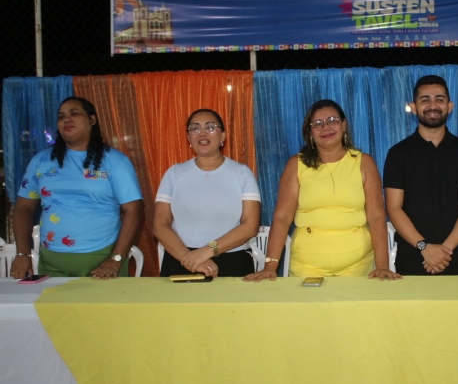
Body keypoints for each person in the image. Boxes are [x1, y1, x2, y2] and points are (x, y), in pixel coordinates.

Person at [243, 99, 401, 281]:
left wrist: (382, 266)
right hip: (307, 267)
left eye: (332, 120)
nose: (326, 127)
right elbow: (282, 218)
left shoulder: (364, 162)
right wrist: (270, 266)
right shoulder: (296, 165)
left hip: (358, 266)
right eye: (317, 124)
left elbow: (376, 216)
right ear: (310, 132)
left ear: (344, 125)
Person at [10, 96, 143, 279]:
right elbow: (23, 207)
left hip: (103, 264)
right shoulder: (41, 161)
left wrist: (116, 259)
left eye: (74, 114)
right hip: (51, 262)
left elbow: (134, 210)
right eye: (61, 116)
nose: (67, 119)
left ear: (92, 119)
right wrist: (22, 253)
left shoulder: (115, 161)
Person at [383, 75, 458, 275]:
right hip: (412, 258)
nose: (433, 105)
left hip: (456, 257)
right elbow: (393, 208)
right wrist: (425, 248)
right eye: (425, 100)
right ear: (413, 107)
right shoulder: (398, 153)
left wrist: (444, 251)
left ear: (450, 106)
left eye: (439, 99)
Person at [153, 109, 261, 277]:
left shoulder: (242, 173)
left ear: (223, 136)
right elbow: (160, 225)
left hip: (232, 258)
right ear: (188, 137)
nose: (202, 133)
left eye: (210, 127)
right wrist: (190, 259)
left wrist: (206, 252)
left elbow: (250, 226)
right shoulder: (174, 173)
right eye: (195, 128)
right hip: (181, 259)